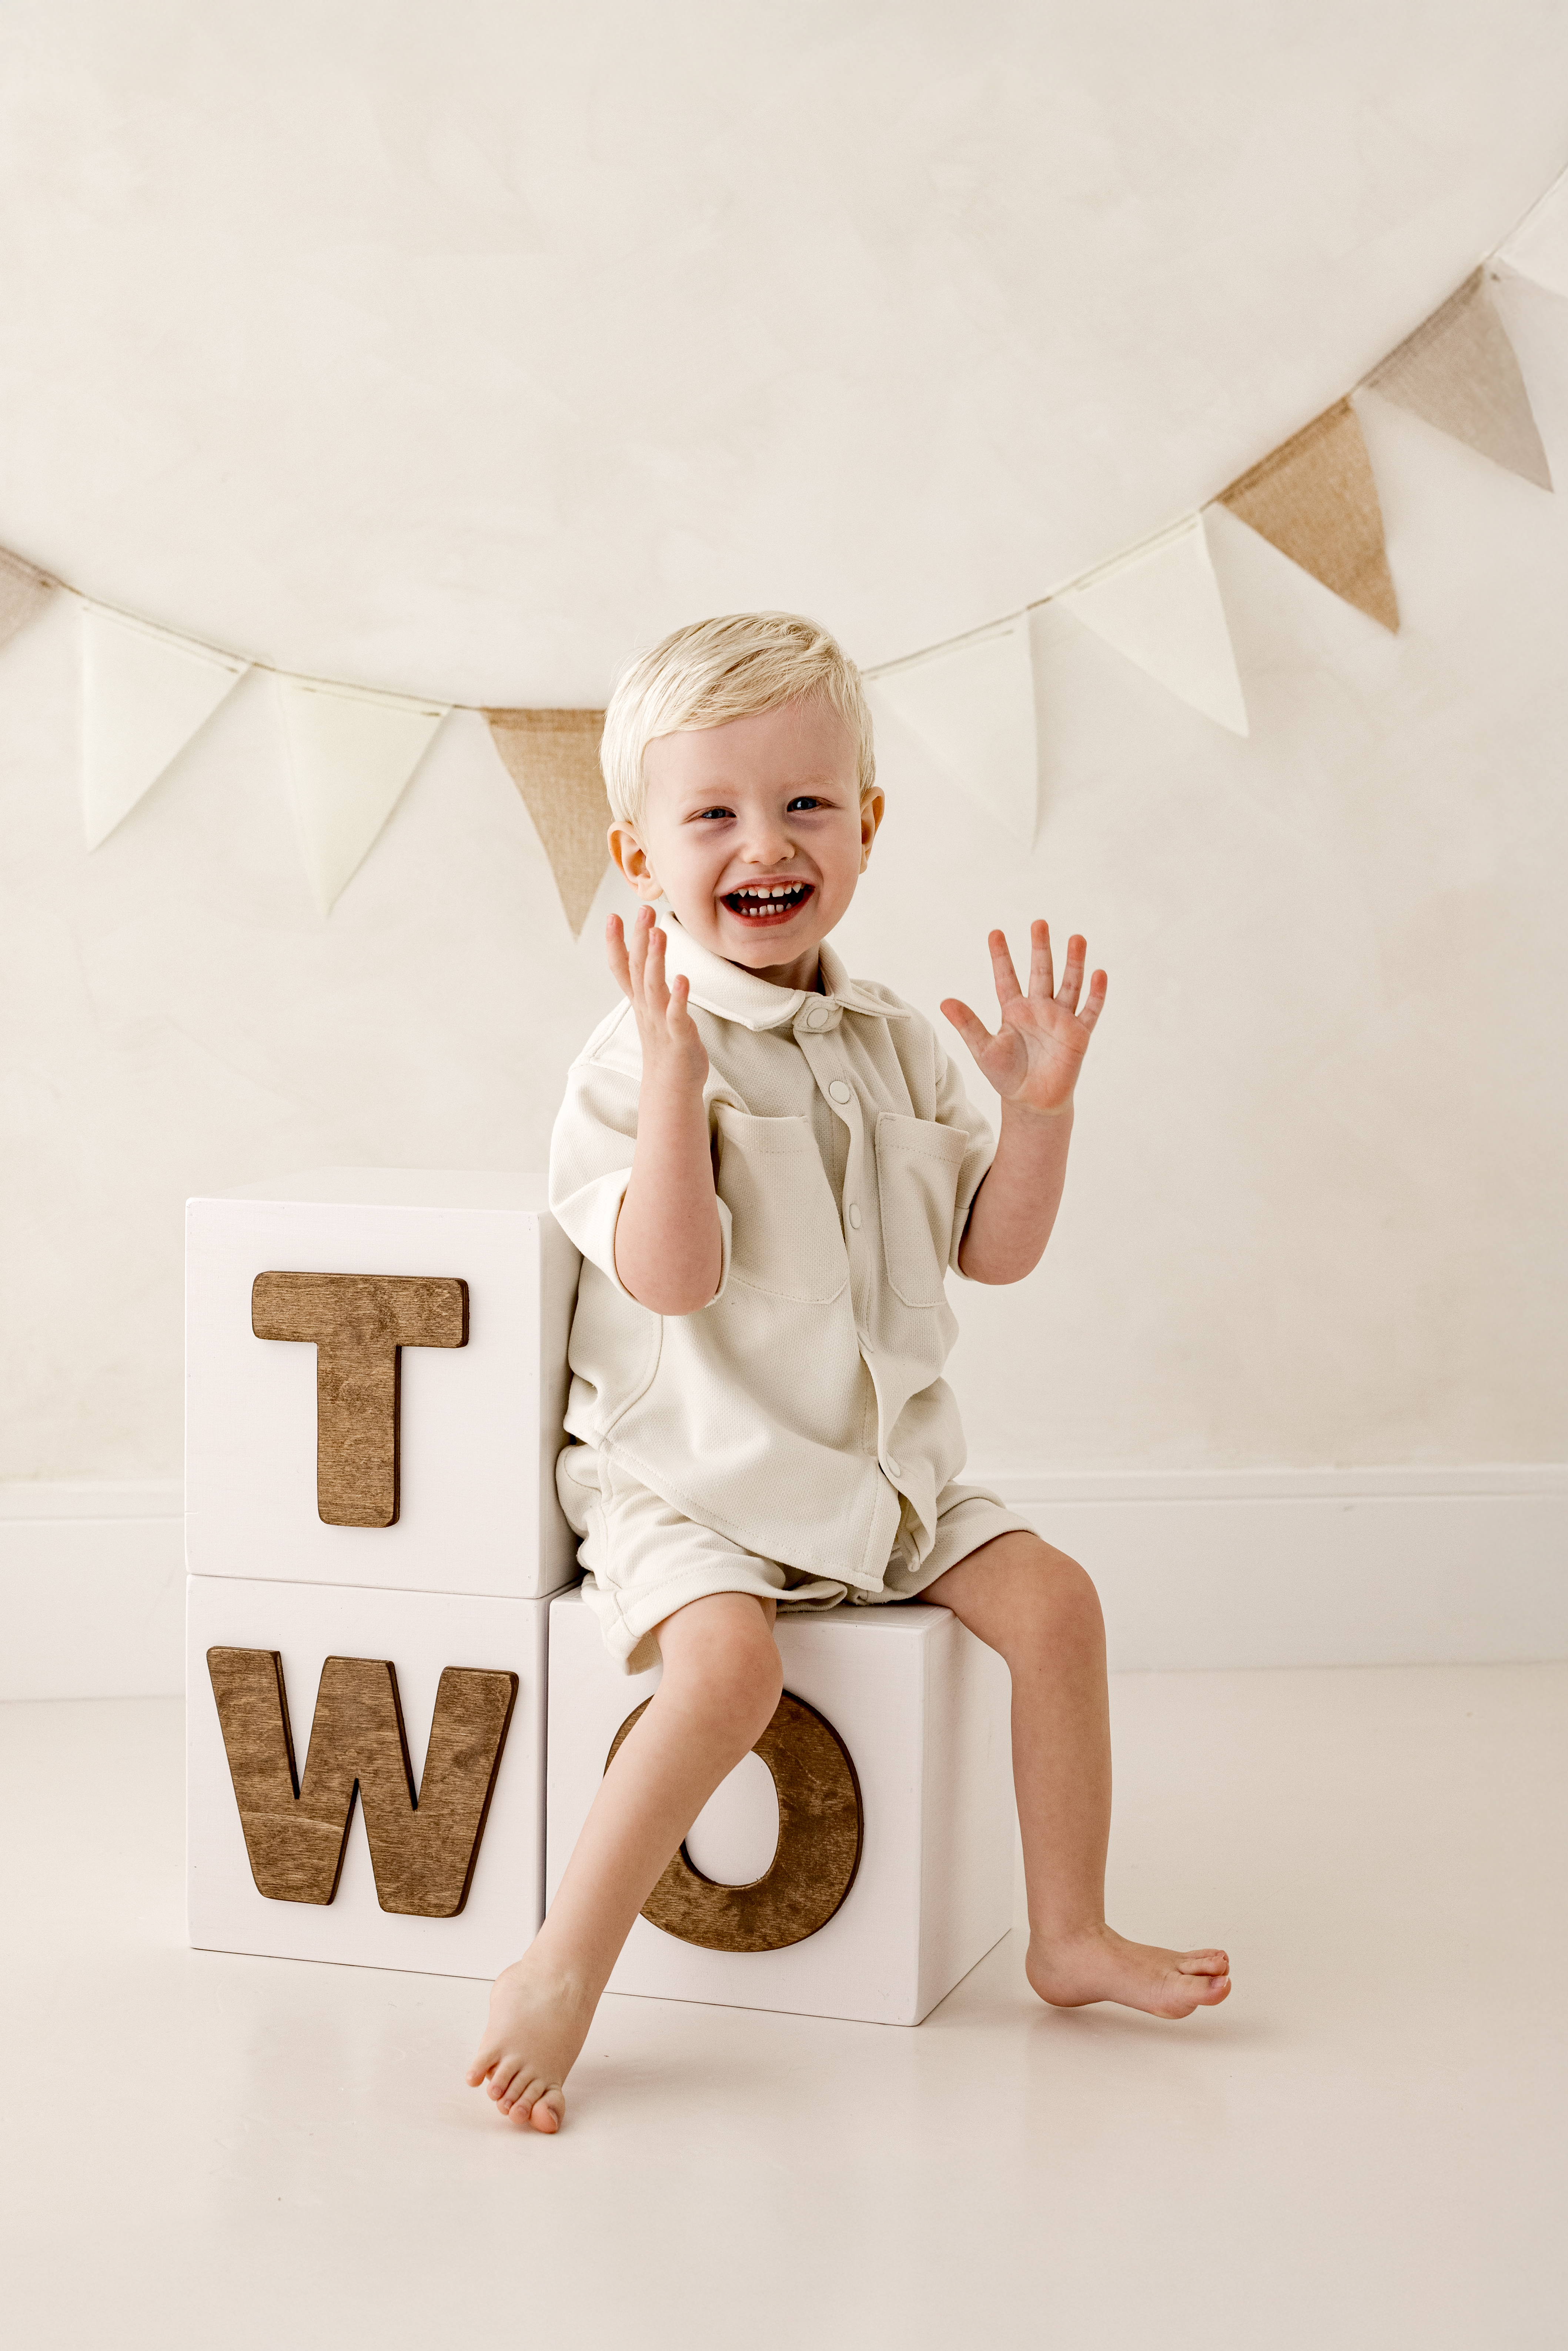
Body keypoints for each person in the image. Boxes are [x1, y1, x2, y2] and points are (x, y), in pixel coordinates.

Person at [468, 611, 1230, 2133]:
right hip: (690, 1471)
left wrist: (1038, 1116)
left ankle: (1066, 1932)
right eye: (715, 814)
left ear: (866, 828)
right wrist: (682, 1087)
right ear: (638, 857)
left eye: (806, 803)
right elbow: (668, 1276)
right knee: (726, 1674)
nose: (767, 841)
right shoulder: (630, 1060)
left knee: (1055, 1601)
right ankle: (562, 1963)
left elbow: (986, 1253)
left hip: (877, 1478)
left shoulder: (887, 1040)